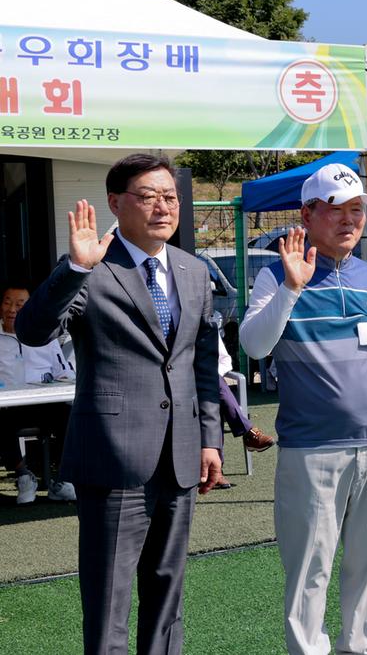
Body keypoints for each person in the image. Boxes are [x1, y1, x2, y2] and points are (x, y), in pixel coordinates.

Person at [15, 153, 222, 654]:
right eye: (148, 197)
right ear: (115, 202)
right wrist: (75, 268)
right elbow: (32, 330)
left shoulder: (194, 272)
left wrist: (210, 440)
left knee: (168, 597)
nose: (163, 207)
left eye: (170, 196)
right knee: (109, 601)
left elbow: (201, 366)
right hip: (112, 460)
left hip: (179, 458)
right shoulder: (93, 268)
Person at [239, 162, 367, 655]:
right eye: (337, 209)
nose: (350, 220)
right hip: (311, 452)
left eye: (357, 210)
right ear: (307, 214)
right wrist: (292, 288)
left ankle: (362, 650)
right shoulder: (275, 275)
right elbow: (254, 345)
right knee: (309, 572)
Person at [1, 283, 77, 503]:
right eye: (7, 303)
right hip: (7, 406)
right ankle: (23, 476)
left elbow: (65, 372)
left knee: (71, 416)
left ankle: (62, 480)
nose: (12, 310)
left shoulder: (44, 335)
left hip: (43, 403)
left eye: (19, 304)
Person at [212, 335, 275, 489]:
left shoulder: (207, 326)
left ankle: (215, 470)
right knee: (214, 393)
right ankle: (248, 433)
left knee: (213, 399)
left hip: (206, 386)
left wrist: (210, 374)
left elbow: (225, 360)